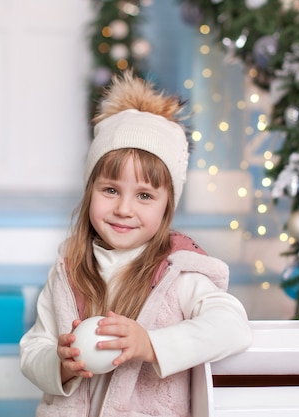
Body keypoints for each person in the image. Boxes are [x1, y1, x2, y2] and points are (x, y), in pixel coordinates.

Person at [19, 70, 252, 417]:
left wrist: (151, 344)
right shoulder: (70, 270)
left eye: (144, 195)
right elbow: (33, 348)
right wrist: (61, 365)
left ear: (167, 208)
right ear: (90, 191)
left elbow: (232, 327)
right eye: (110, 190)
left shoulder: (179, 274)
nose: (124, 209)